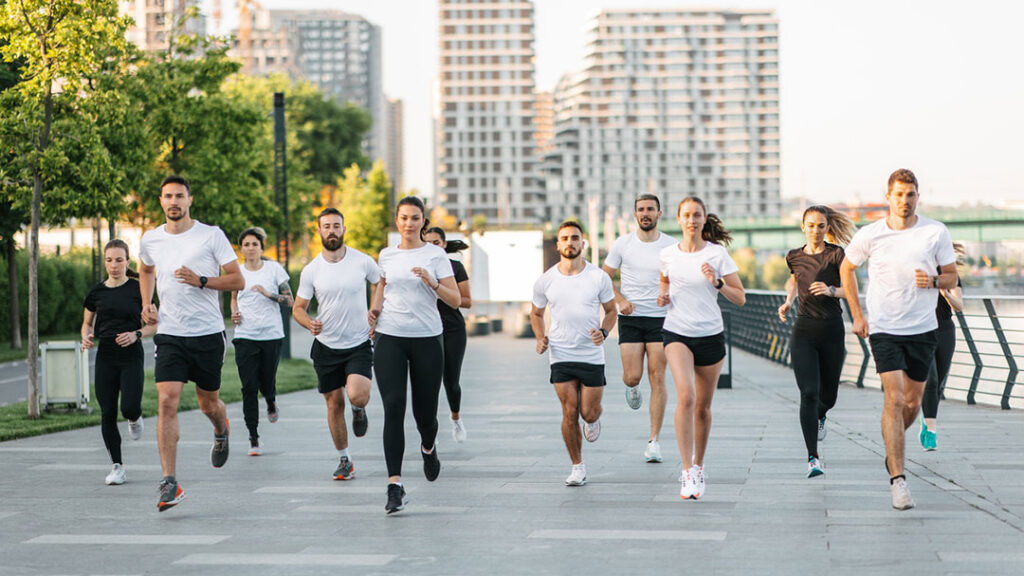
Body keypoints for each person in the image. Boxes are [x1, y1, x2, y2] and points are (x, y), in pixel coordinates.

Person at [840, 168, 957, 510]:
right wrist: (857, 316)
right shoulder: (871, 234)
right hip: (884, 328)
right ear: (888, 196)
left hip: (922, 329)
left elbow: (951, 276)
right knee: (893, 399)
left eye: (910, 194)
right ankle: (899, 480)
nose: (904, 201)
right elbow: (847, 269)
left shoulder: (935, 231)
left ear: (917, 196)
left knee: (912, 403)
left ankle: (893, 452)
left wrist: (934, 282)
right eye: (899, 194)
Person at [139, 175, 244, 511]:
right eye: (168, 196)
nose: (174, 202)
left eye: (179, 196)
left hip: (208, 334)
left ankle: (220, 426)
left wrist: (201, 280)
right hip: (170, 333)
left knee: (207, 403)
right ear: (160, 201)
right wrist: (147, 303)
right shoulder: (151, 238)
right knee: (167, 400)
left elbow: (237, 279)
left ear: (189, 200)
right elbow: (144, 269)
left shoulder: (211, 236)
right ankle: (169, 482)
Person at [369, 197, 461, 514]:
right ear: (397, 220)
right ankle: (395, 485)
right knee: (393, 407)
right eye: (404, 218)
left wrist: (432, 282)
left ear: (424, 221)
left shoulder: (435, 255)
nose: (409, 223)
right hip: (390, 336)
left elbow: (456, 299)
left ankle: (428, 446)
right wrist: (374, 311)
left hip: (426, 339)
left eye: (415, 218)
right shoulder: (386, 254)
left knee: (425, 415)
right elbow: (382, 286)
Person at [658, 196, 745, 500]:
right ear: (678, 219)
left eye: (697, 215)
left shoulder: (717, 255)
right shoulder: (668, 254)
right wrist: (663, 295)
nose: (692, 220)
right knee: (686, 396)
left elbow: (740, 297)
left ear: (704, 219)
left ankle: (698, 465)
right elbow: (665, 279)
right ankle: (685, 472)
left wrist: (717, 282)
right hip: (677, 332)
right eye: (687, 215)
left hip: (710, 335)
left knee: (703, 408)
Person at [292, 208, 378, 482]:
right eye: (326, 226)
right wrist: (308, 323)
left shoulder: (362, 261)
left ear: (344, 229)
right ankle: (345, 459)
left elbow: (380, 282)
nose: (332, 230)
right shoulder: (311, 270)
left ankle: (358, 409)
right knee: (333, 405)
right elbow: (298, 308)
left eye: (336, 225)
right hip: (327, 345)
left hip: (358, 342)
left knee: (357, 395)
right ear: (319, 231)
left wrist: (375, 312)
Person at [531, 220, 616, 487]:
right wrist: (540, 337)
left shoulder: (598, 277)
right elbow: (536, 313)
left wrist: (603, 332)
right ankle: (577, 466)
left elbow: (612, 311)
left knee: (588, 413)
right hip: (561, 353)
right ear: (558, 245)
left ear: (583, 242)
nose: (570, 242)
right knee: (569, 411)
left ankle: (594, 419)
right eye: (565, 238)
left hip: (591, 354)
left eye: (575, 238)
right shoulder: (546, 280)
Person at [777, 206, 855, 478]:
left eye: (821, 225)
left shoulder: (837, 255)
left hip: (832, 331)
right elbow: (793, 280)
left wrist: (832, 290)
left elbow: (851, 290)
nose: (816, 230)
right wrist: (788, 301)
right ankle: (813, 458)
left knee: (828, 397)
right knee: (808, 393)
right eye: (811, 225)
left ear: (826, 228)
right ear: (802, 227)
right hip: (804, 331)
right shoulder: (794, 256)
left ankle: (822, 415)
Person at [601, 194, 677, 463]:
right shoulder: (623, 244)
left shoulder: (671, 246)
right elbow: (603, 277)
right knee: (632, 377)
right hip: (631, 319)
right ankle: (632, 387)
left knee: (658, 377)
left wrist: (668, 293)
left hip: (661, 319)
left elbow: (680, 278)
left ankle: (654, 440)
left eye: (650, 209)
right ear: (635, 214)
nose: (645, 213)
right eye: (641, 210)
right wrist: (620, 300)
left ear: (659, 213)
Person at [81, 239, 156, 486]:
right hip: (106, 356)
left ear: (127, 262)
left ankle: (135, 418)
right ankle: (117, 466)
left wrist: (136, 334)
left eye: (119, 260)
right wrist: (86, 337)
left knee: (129, 407)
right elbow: (86, 323)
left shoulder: (138, 289)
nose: (114, 265)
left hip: (131, 355)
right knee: (107, 412)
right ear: (105, 261)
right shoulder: (96, 292)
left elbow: (154, 324)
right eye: (109, 260)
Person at [230, 227, 293, 456]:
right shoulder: (236, 271)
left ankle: (271, 400)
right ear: (241, 248)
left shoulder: (274, 269)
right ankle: (253, 438)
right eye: (246, 244)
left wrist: (268, 294)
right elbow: (234, 297)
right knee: (248, 387)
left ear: (261, 247)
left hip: (271, 335)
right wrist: (234, 313)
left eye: (254, 244)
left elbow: (289, 300)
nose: (250, 248)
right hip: (245, 335)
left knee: (267, 381)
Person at [423, 227, 472, 442]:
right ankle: (428, 428)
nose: (432, 246)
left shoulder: (455, 267)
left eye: (436, 242)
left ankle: (456, 418)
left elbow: (467, 301)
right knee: (427, 382)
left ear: (443, 245)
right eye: (428, 242)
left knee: (451, 380)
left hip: (452, 329)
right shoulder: (418, 268)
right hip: (425, 329)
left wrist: (439, 290)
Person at [919, 244, 964, 451]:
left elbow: (959, 305)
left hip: (945, 330)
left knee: (938, 384)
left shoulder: (950, 274)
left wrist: (946, 294)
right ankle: (931, 431)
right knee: (931, 380)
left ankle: (926, 419)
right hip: (922, 330)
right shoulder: (918, 273)